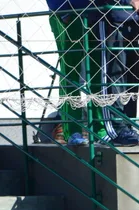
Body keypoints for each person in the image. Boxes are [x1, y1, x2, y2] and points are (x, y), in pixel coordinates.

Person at [46, 0, 109, 146]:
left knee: (98, 72)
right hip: (68, 13)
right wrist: (63, 11)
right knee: (70, 72)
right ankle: (72, 131)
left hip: (96, 13)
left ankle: (100, 129)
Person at [102, 0, 139, 145]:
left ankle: (129, 126)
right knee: (115, 75)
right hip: (113, 22)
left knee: (132, 78)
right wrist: (130, 1)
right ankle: (116, 129)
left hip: (134, 23)